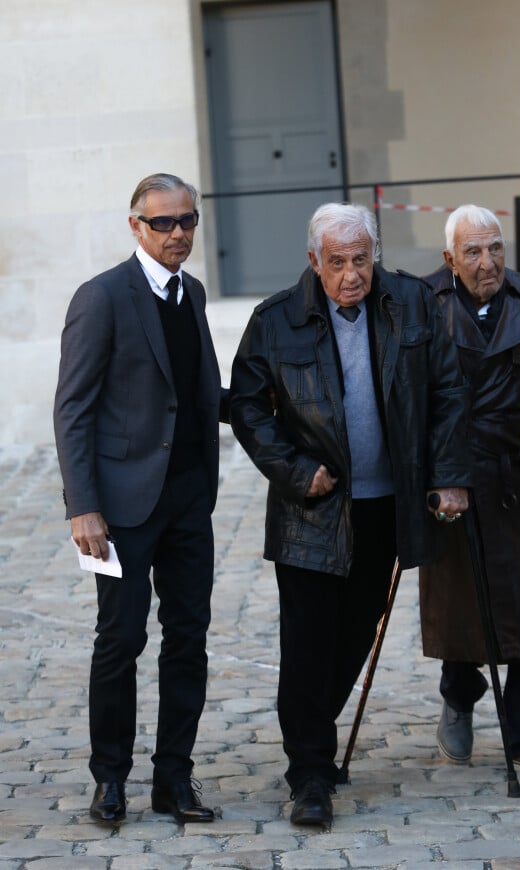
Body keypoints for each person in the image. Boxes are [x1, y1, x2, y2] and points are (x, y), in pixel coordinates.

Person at [229, 202, 471, 828]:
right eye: (337, 262)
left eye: (361, 259)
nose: (351, 275)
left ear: (375, 255)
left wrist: (448, 474)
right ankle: (308, 774)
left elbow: (447, 390)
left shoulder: (413, 304)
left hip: (386, 506)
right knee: (309, 643)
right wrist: (293, 470)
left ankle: (311, 738)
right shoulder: (275, 320)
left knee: (358, 631)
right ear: (314, 261)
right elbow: (248, 409)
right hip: (310, 510)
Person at [53, 173, 228, 825]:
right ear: (136, 226)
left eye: (187, 221)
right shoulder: (101, 298)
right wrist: (81, 506)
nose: (178, 233)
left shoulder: (195, 293)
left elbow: (201, 392)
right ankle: (110, 779)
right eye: (164, 223)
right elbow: (72, 408)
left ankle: (174, 779)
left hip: (188, 500)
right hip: (116, 510)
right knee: (118, 639)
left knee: (189, 638)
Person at [419, 204, 520, 785]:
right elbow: (416, 398)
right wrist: (431, 477)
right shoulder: (425, 303)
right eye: (474, 252)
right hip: (456, 475)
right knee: (462, 602)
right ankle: (459, 700)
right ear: (449, 259)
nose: (488, 264)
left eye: (496, 249)